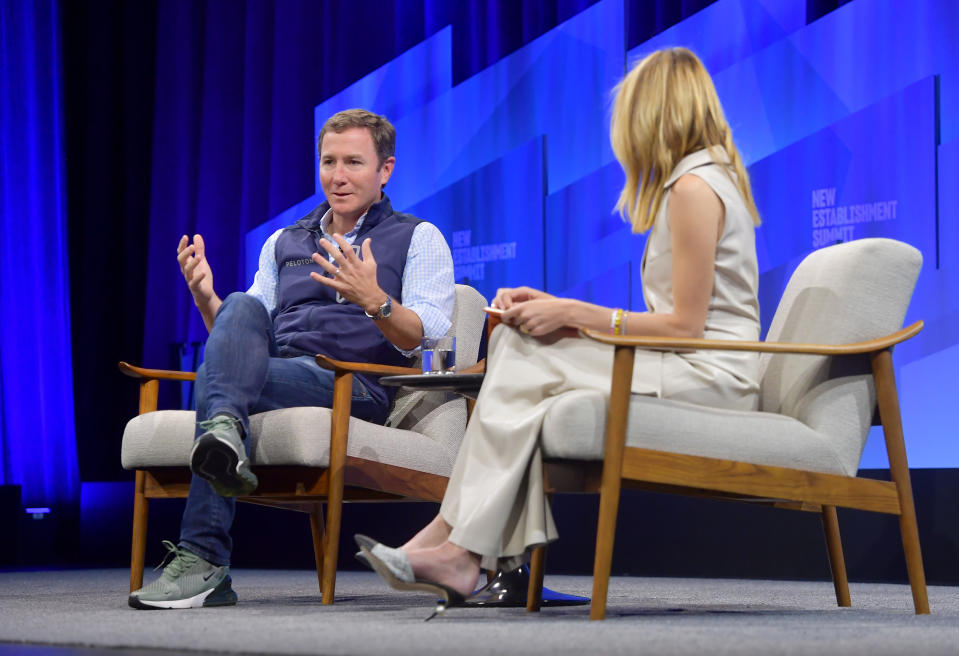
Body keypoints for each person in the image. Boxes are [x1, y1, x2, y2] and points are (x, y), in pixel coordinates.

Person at [359, 47, 763, 604]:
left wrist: (569, 314)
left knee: (522, 350)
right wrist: (554, 305)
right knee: (523, 348)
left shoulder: (695, 188)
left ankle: (456, 547)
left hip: (715, 377)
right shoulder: (702, 181)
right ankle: (463, 550)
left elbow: (687, 326)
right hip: (688, 365)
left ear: (655, 113)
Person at [129, 109, 455, 609]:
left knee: (222, 392)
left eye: (353, 162)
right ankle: (221, 436)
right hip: (276, 371)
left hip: (352, 384)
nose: (337, 176)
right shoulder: (285, 241)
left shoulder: (418, 237)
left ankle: (204, 557)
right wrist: (204, 298)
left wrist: (376, 300)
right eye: (328, 162)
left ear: (385, 170)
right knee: (239, 305)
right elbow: (234, 340)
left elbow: (429, 335)